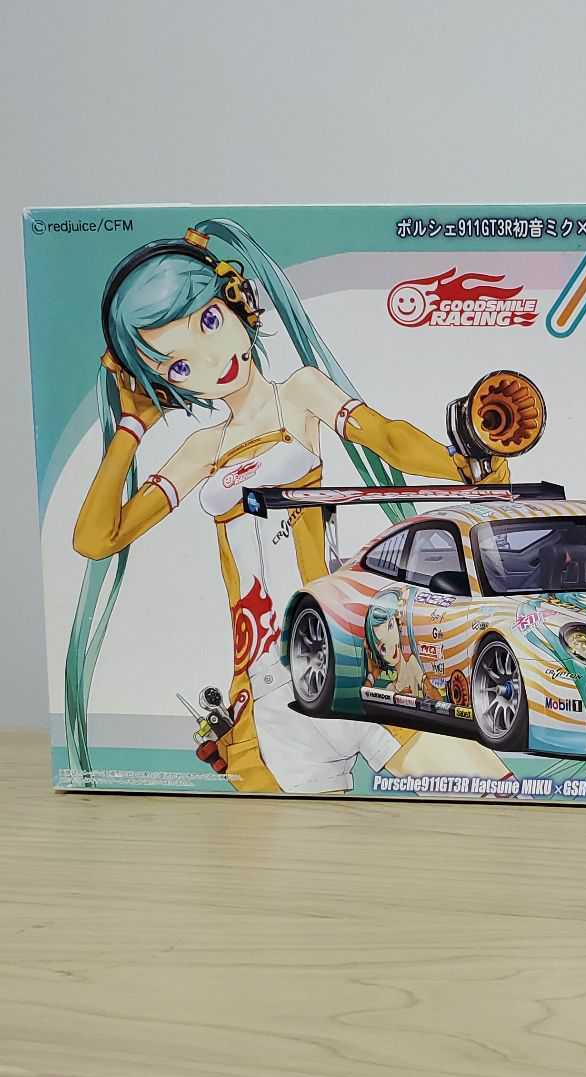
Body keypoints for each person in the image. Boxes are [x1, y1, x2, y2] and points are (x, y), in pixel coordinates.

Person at [70, 218, 512, 793]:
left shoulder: (299, 392)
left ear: (236, 300)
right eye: (179, 366)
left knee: (494, 790)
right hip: (267, 697)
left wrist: (465, 466)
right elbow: (96, 539)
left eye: (210, 322)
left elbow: (388, 439)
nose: (213, 360)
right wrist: (131, 428)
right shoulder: (200, 450)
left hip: (356, 658)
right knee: (294, 852)